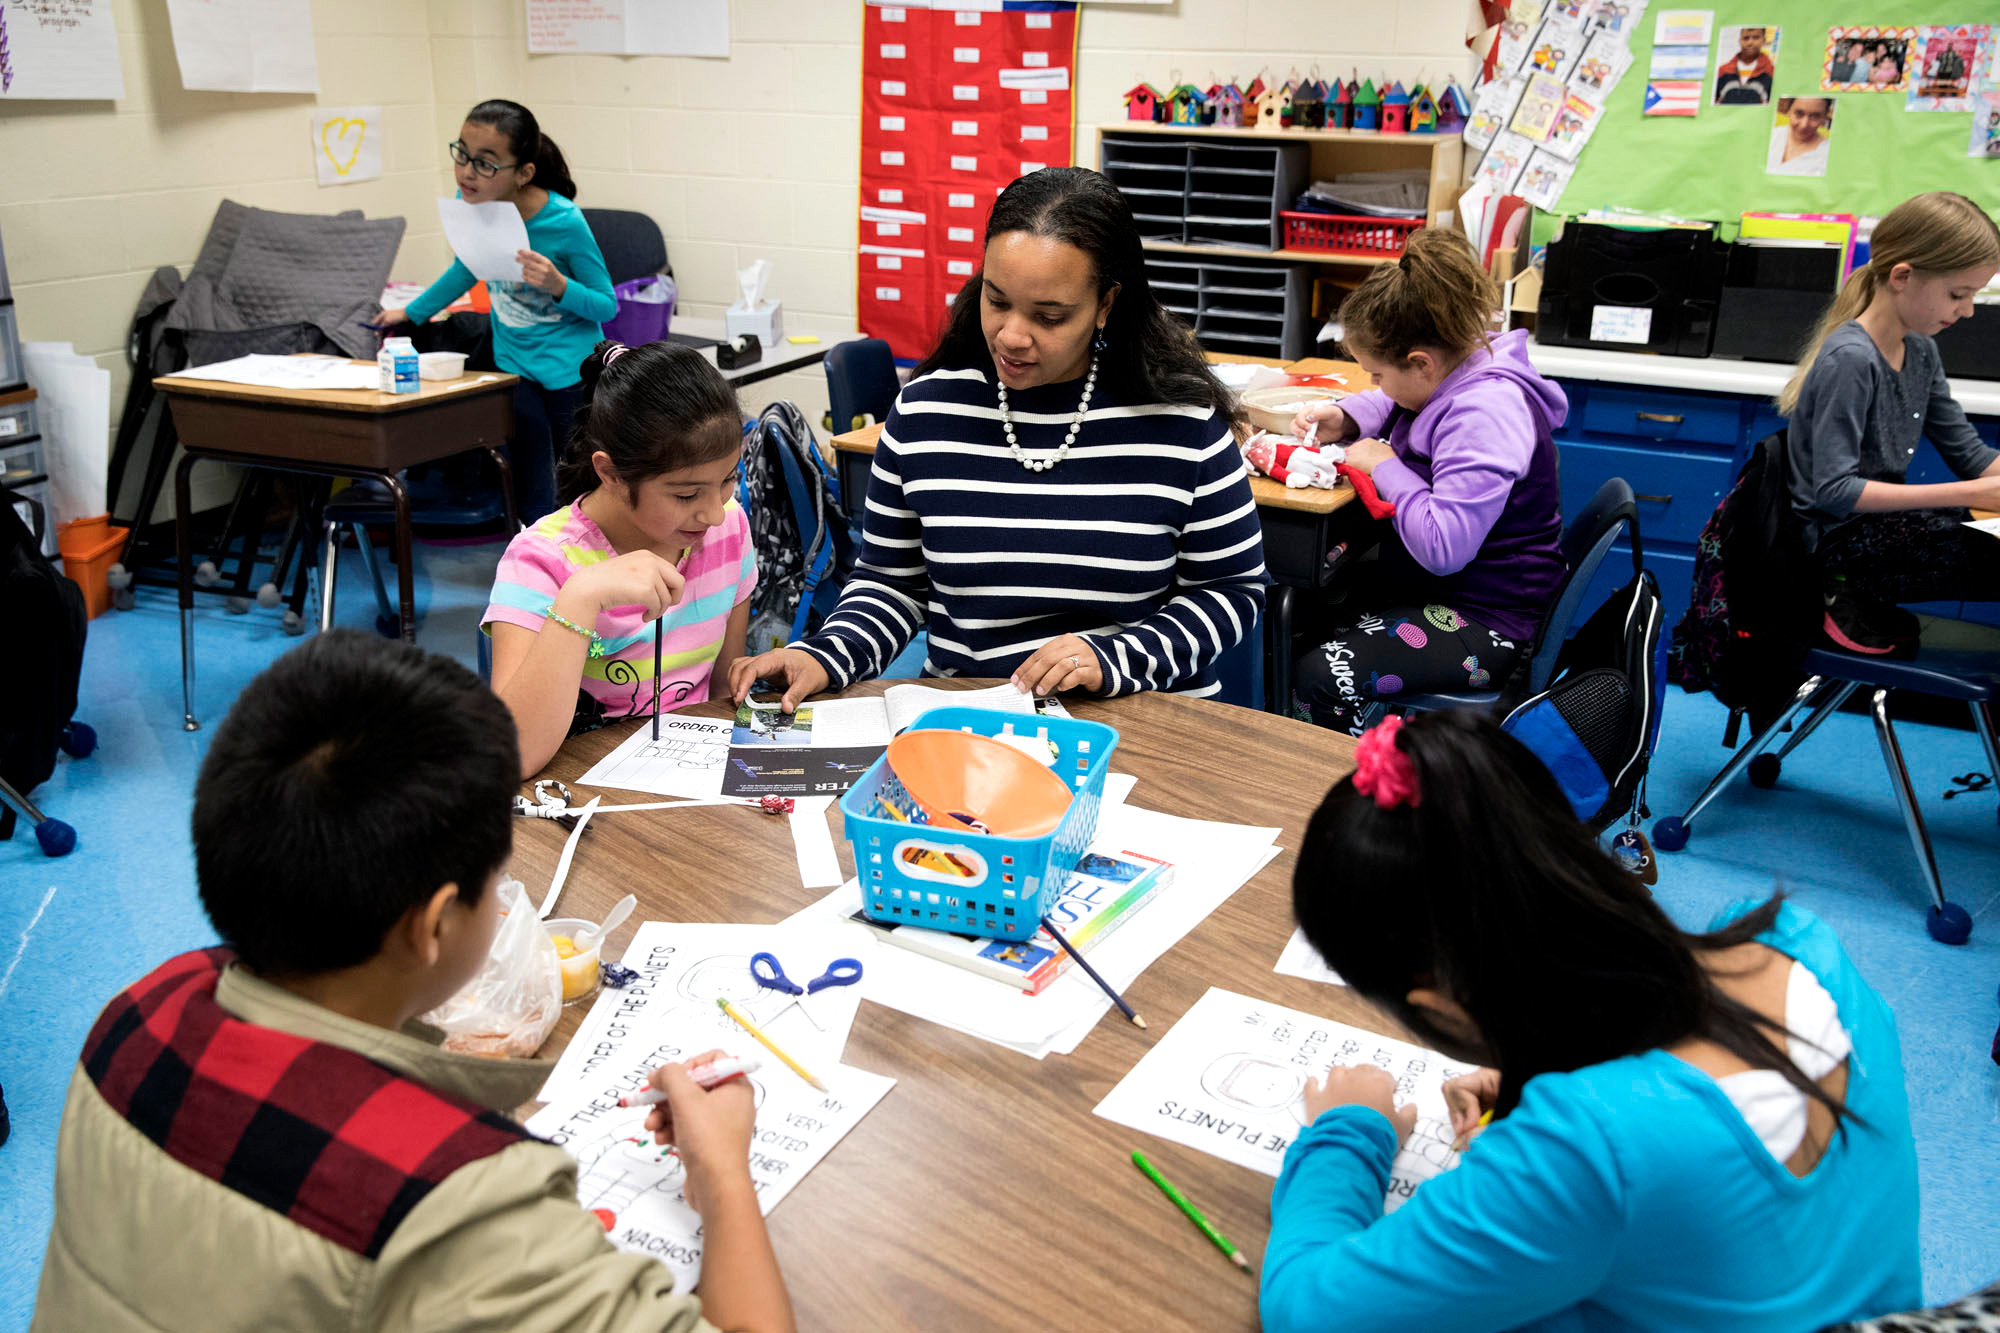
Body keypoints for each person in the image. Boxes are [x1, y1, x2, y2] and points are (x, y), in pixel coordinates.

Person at [32, 631, 796, 1333]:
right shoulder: (463, 1197)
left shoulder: (137, 1011)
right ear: (433, 926)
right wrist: (724, 1168)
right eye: (498, 881)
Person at [1261, 710, 1920, 1333]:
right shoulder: (1800, 942)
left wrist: (1351, 1127)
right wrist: (1561, 1069)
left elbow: (1309, 1310)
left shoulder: (1586, 1147)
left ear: (1440, 1006)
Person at [728, 167, 1266, 710]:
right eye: (997, 300)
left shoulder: (1183, 426)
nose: (1011, 335)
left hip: (1145, 719)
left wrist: (1113, 659)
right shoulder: (924, 412)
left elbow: (1232, 593)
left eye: (1049, 316)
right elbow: (892, 585)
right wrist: (826, 655)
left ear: (1106, 305)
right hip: (970, 720)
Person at [1287, 227, 1565, 735]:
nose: (1374, 384)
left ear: (1421, 362)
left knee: (1320, 675)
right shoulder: (1465, 362)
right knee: (1290, 615)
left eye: (1374, 373)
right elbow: (1402, 401)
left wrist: (1384, 466)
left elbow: (1443, 547)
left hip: (1488, 619)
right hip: (1453, 590)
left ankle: (1351, 800)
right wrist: (1346, 416)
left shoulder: (1485, 415)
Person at [486, 340, 754, 776]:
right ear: (610, 474)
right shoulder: (541, 560)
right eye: (686, 494)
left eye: (728, 479)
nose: (711, 511)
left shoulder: (728, 527)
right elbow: (511, 756)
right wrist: (580, 598)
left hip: (686, 782)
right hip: (578, 793)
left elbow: (723, 697)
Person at [1778, 191, 2000, 654]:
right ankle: (1842, 596)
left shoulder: (1920, 350)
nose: (1968, 310)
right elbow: (1833, 492)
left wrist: (1984, 483)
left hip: (1880, 535)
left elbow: (1971, 456)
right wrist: (1972, 494)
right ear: (1902, 276)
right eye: (1959, 294)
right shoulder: (1852, 359)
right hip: (1840, 549)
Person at [380, 99, 617, 521]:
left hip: (570, 370)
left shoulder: (563, 222)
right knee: (527, 475)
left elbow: (606, 304)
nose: (468, 172)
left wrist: (559, 285)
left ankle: (586, 560)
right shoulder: (470, 205)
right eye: (463, 156)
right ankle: (531, 562)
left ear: (523, 173)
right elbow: (466, 269)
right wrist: (411, 313)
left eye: (486, 163)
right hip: (514, 364)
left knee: (577, 476)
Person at [1766, 96, 1834, 176]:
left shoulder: (1828, 157)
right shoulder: (1771, 135)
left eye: (1814, 116)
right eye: (1799, 114)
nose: (1804, 125)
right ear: (1789, 111)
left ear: (1824, 118)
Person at [1714, 26, 1774, 104]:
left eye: (1756, 38)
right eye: (1746, 38)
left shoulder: (1771, 72)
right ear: (1739, 40)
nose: (1750, 43)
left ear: (1763, 40)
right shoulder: (1723, 71)